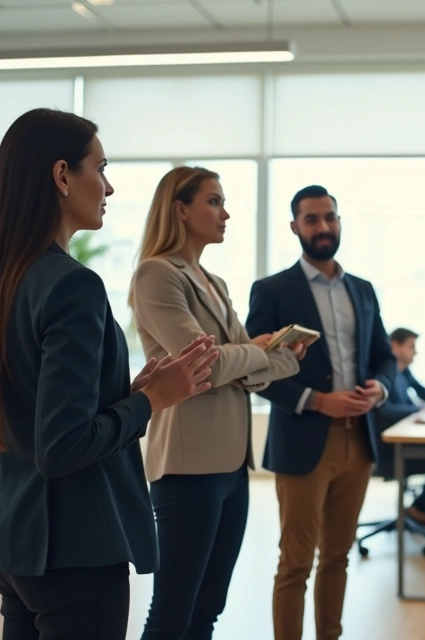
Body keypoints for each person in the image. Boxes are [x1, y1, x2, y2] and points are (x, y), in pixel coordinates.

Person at [0, 108, 219, 639]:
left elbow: (38, 413)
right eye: (100, 167)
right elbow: (62, 445)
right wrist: (149, 402)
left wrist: (127, 394)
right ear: (61, 176)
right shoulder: (73, 285)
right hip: (75, 548)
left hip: (16, 545)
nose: (109, 186)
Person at [130, 166, 305, 639]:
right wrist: (260, 355)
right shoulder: (157, 274)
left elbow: (247, 375)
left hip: (231, 467)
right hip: (187, 468)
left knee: (207, 610)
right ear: (180, 209)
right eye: (214, 201)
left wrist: (263, 359)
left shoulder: (216, 283)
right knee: (171, 614)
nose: (225, 213)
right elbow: (203, 365)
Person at [245, 184, 398, 640]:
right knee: (295, 563)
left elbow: (384, 356)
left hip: (359, 441)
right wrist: (317, 400)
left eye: (330, 217)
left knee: (338, 556)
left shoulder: (363, 290)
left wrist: (381, 389)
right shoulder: (271, 291)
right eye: (312, 219)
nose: (323, 227)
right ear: (295, 227)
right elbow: (256, 372)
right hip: (304, 440)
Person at [376, 328, 425, 527]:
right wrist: (417, 411)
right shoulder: (383, 375)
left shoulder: (403, 372)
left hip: (404, 438)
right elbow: (384, 410)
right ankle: (420, 507)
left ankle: (420, 506)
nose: (415, 352)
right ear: (395, 346)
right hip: (389, 447)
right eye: (411, 347)